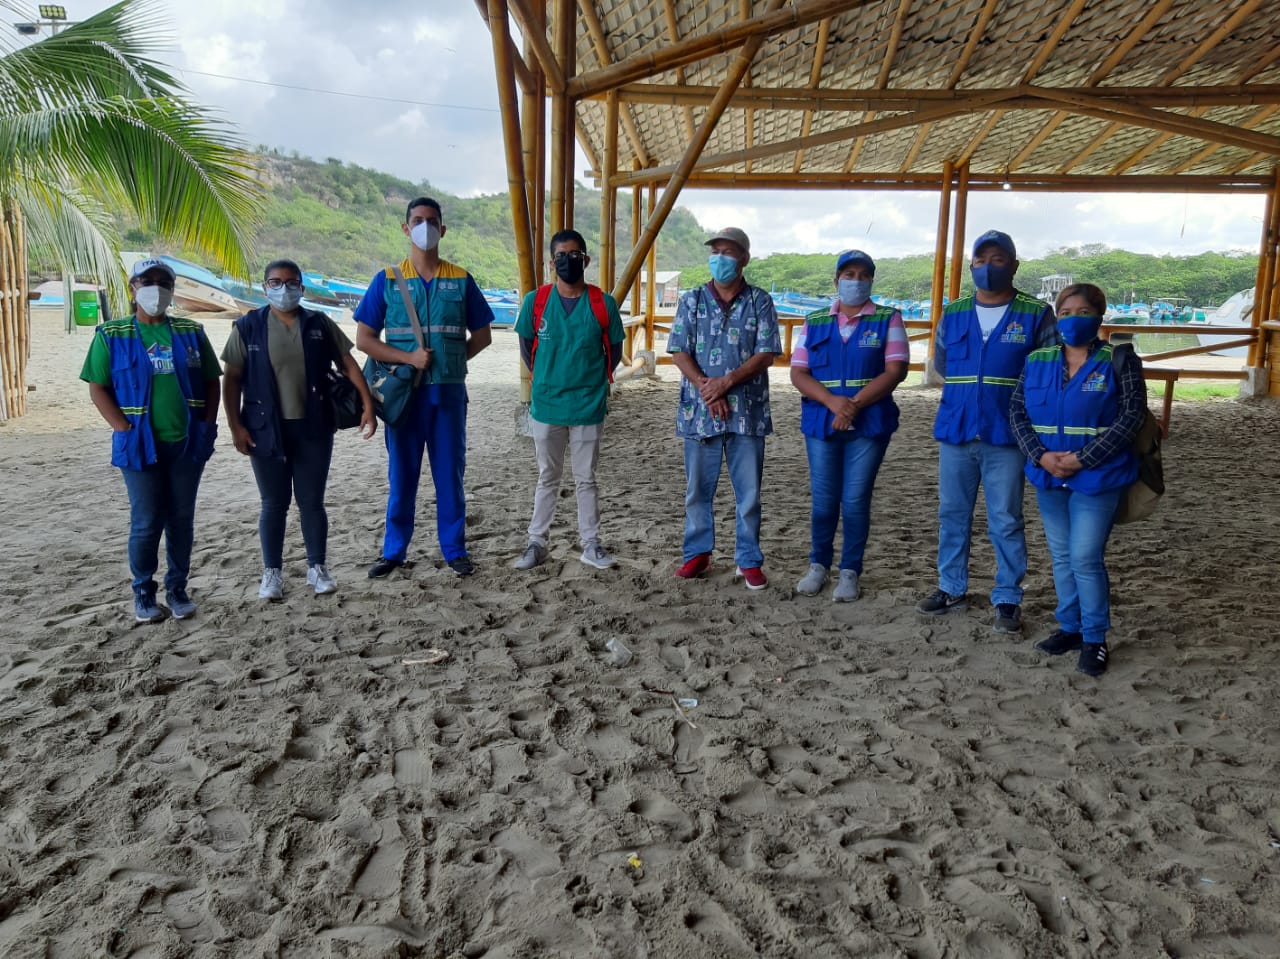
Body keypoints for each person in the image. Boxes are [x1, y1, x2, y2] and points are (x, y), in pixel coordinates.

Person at [917, 229, 1056, 631]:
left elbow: (1048, 371)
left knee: (1006, 518)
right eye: (981, 260)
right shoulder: (955, 312)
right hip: (957, 429)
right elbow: (943, 363)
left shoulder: (1035, 313)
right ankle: (951, 586)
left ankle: (1008, 597)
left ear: (1014, 265)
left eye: (998, 260)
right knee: (951, 514)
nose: (988, 267)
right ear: (972, 266)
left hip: (1008, 434)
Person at [1009, 283, 1145, 678]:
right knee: (1062, 556)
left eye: (1083, 312)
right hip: (1048, 474)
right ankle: (1069, 627)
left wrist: (1083, 459)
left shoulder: (1119, 360)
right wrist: (1041, 456)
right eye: (1065, 313)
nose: (1073, 319)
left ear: (1099, 315)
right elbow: (1017, 412)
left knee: (1085, 556)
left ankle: (1094, 637)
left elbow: (1132, 416)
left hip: (1099, 476)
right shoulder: (1036, 359)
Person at [221, 259, 377, 600]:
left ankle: (317, 567)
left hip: (314, 428)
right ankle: (271, 573)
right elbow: (231, 379)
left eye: (291, 282)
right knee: (273, 504)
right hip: (264, 429)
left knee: (312, 502)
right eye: (275, 282)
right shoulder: (248, 326)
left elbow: (348, 363)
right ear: (265, 288)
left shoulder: (319, 323)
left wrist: (367, 404)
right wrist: (235, 426)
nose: (284, 289)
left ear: (302, 288)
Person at [355, 197, 494, 578]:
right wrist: (409, 359)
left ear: (443, 229)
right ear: (405, 228)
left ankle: (455, 550)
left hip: (448, 395)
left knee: (450, 475)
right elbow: (364, 339)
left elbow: (482, 335)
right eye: (417, 220)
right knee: (402, 476)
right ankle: (394, 552)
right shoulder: (386, 280)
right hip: (404, 398)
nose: (425, 227)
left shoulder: (461, 279)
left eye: (432, 221)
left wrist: (453, 362)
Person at [81, 258, 221, 622]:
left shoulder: (192, 332)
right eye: (147, 281)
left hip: (186, 443)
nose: (156, 288)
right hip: (138, 445)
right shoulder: (111, 335)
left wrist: (207, 425)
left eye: (164, 282)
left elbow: (211, 381)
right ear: (133, 288)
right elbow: (98, 388)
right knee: (146, 521)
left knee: (181, 519)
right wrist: (123, 428)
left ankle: (177, 589)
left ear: (172, 291)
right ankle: (143, 592)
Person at [790, 250, 909, 601]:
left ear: (871, 280)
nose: (855, 281)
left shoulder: (889, 319)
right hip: (822, 422)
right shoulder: (814, 321)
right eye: (848, 274)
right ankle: (818, 565)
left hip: (869, 424)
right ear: (836, 280)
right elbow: (798, 372)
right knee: (824, 501)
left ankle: (850, 570)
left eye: (863, 275)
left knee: (856, 500)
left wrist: (853, 405)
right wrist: (833, 403)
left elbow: (896, 370)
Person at [668, 227, 781, 589]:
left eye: (728, 252)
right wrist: (708, 387)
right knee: (697, 490)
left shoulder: (760, 301)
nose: (719, 258)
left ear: (744, 258)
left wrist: (726, 382)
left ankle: (748, 560)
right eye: (715, 251)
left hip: (748, 412)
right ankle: (697, 553)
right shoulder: (692, 300)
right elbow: (679, 350)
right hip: (700, 411)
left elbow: (766, 353)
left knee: (749, 494)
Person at [512, 230, 625, 571]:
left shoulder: (602, 304)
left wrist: (589, 384)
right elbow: (527, 348)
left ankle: (591, 544)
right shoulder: (535, 302)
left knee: (586, 478)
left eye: (574, 255)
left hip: (588, 405)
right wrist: (548, 378)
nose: (568, 261)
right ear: (552, 262)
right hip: (547, 405)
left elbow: (613, 352)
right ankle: (537, 543)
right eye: (561, 256)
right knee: (548, 475)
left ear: (586, 260)